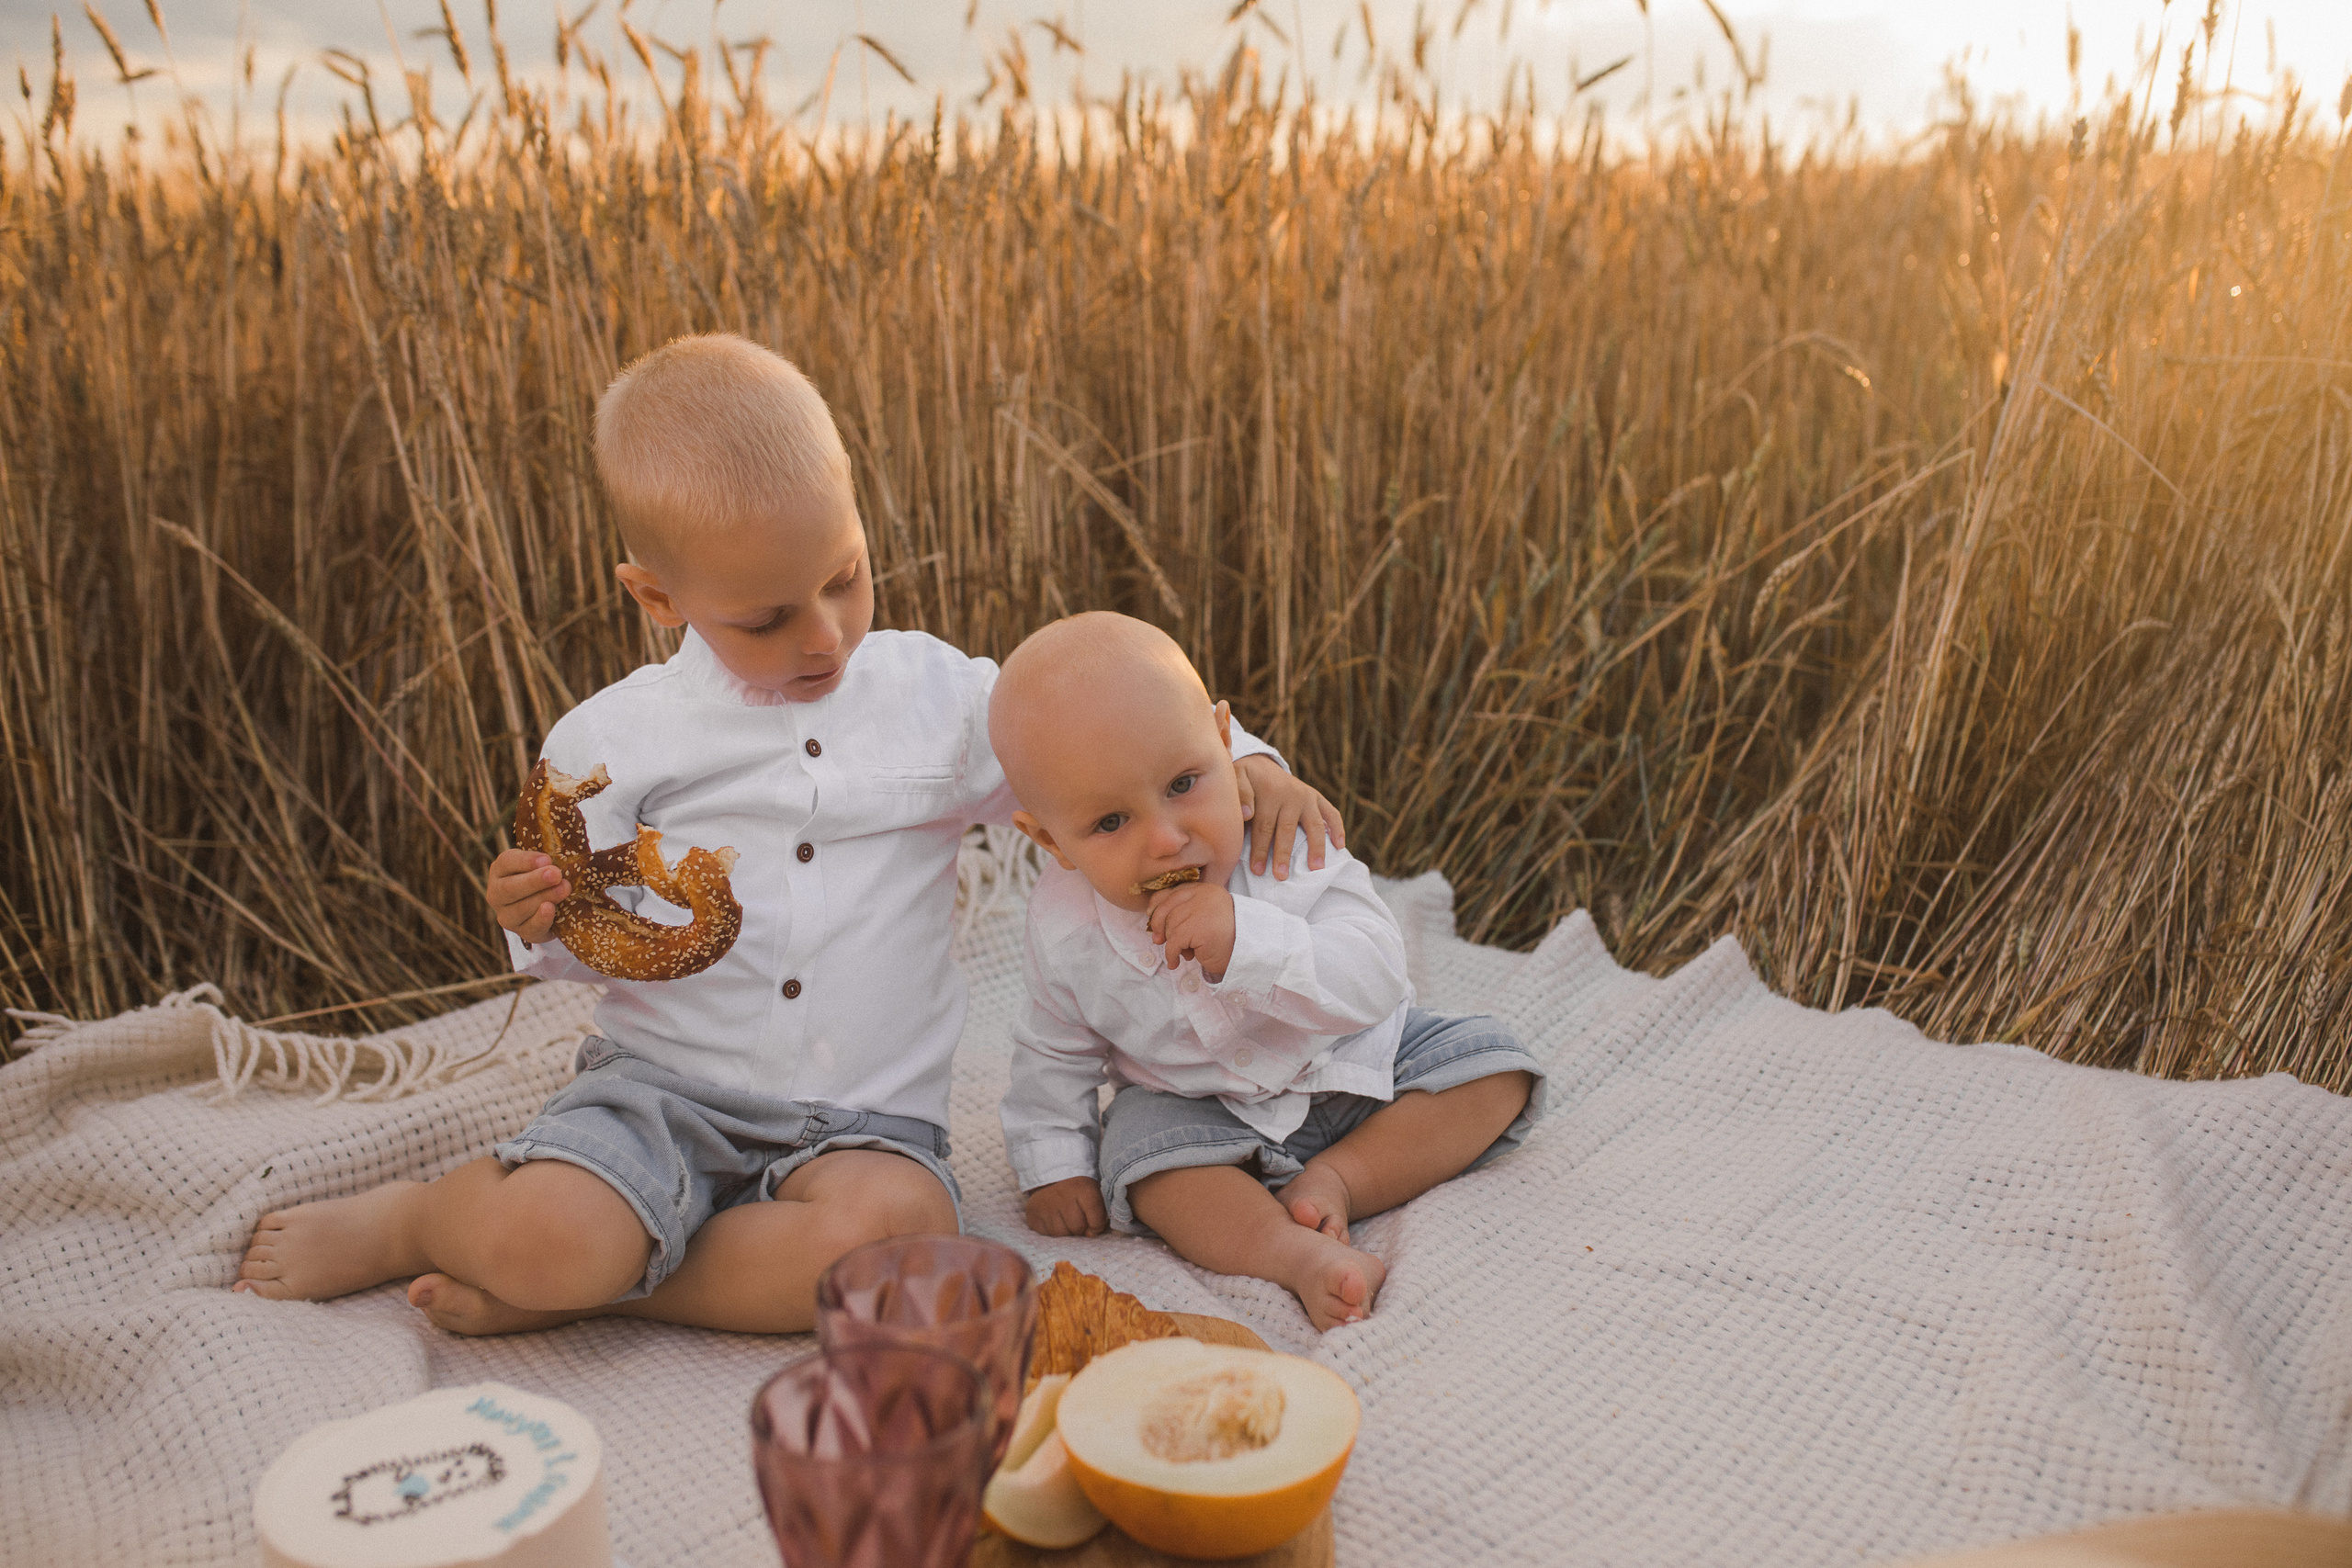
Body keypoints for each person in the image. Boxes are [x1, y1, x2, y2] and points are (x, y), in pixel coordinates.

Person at [230, 336, 1341, 1336]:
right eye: (766, 617)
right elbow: (587, 942)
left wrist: (1253, 771)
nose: (823, 634)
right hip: (662, 1090)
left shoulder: (942, 700)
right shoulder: (608, 744)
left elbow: (1119, 748)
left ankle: (601, 1288)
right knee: (545, 1234)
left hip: (868, 1132)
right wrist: (534, 916)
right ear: (657, 596)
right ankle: (426, 1224)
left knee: (899, 1247)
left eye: (845, 578)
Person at [992, 612, 1546, 1331]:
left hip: (1349, 1068)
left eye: (1185, 782)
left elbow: (1375, 969)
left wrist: (1246, 939)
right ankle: (1289, 1252)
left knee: (1493, 1068)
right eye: (1109, 824)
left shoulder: (1284, 837)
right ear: (1051, 841)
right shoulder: (1063, 926)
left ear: (1225, 742)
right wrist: (1055, 1160)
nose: (1166, 837)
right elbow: (1054, 1049)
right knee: (1139, 1157)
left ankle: (1341, 1178)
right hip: (1200, 1110)